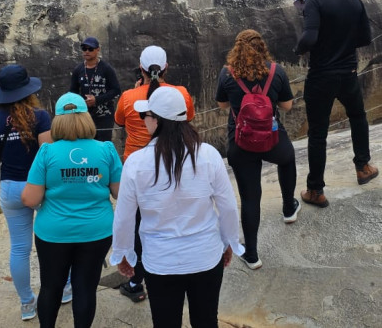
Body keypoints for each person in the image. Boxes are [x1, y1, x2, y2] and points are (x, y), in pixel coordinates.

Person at [111, 87, 244, 328]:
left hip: (160, 262)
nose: (143, 121)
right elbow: (228, 207)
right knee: (206, 322)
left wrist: (124, 253)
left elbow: (124, 217)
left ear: (158, 120)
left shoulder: (136, 163)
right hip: (205, 256)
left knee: (165, 323)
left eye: (146, 116)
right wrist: (229, 242)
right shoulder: (208, 155)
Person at [21, 93, 122, 328]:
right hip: (97, 231)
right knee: (86, 287)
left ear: (58, 121)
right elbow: (119, 192)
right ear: (86, 118)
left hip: (53, 233)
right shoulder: (106, 150)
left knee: (51, 287)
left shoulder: (46, 153)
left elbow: (30, 198)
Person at [112, 45, 195, 302]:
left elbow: (120, 121)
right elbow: (187, 117)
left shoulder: (128, 97)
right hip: (173, 161)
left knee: (138, 225)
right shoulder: (180, 93)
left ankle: (136, 282)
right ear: (166, 67)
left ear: (141, 68)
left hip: (136, 166)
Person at [215, 29, 300, 270]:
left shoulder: (226, 73)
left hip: (241, 142)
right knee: (287, 158)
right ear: (262, 47)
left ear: (236, 48)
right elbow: (287, 105)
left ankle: (251, 255)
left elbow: (222, 104)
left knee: (251, 198)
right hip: (271, 138)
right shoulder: (276, 71)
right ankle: (288, 207)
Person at [0, 64, 55, 321]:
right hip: (39, 185)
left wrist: (3, 153)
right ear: (28, 90)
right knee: (55, 243)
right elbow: (48, 155)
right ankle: (64, 289)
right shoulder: (41, 116)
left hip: (10, 187)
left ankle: (26, 304)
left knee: (20, 248)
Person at [294, 0, 377, 208]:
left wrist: (297, 49)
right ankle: (363, 168)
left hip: (321, 76)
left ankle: (315, 190)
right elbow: (365, 39)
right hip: (348, 72)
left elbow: (309, 37)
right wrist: (343, 44)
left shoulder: (314, 3)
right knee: (358, 117)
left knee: (318, 134)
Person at [69, 36, 121, 142]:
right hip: (84, 115)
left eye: (90, 49)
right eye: (84, 49)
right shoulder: (78, 70)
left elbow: (116, 90)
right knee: (86, 145)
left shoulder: (106, 68)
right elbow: (72, 92)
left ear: (98, 49)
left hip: (104, 116)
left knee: (103, 146)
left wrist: (97, 100)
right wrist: (81, 102)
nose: (87, 51)